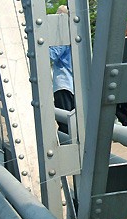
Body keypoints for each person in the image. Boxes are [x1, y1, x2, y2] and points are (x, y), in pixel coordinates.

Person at [49, 5, 74, 133]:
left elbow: (52, 54)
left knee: (64, 123)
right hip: (74, 86)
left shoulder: (62, 37)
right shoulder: (74, 34)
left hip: (63, 84)